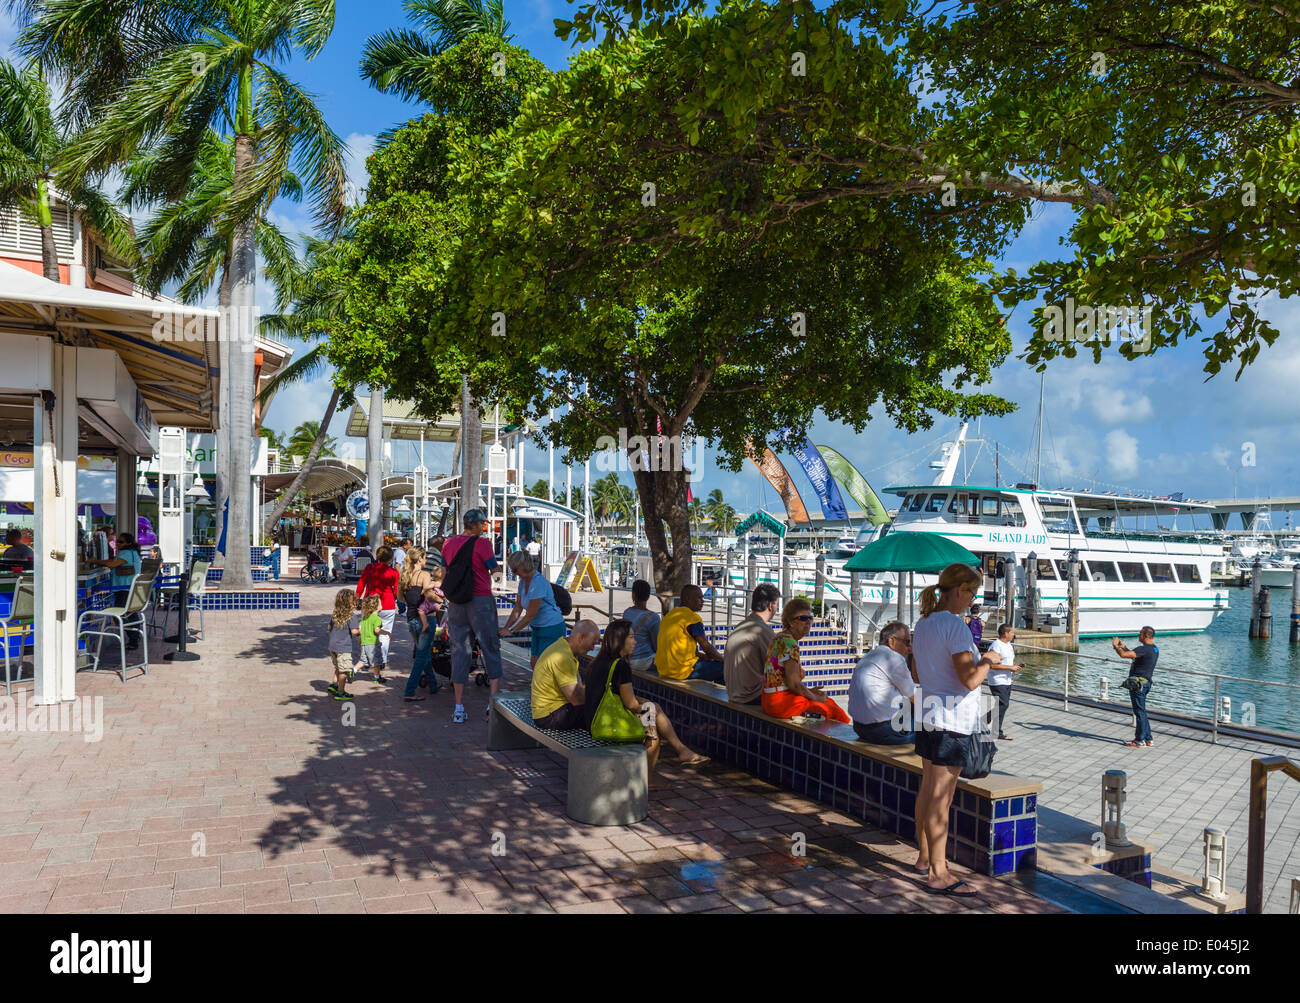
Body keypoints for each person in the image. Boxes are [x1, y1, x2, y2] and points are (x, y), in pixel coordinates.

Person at [911, 562, 998, 897]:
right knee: (941, 799)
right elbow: (970, 679)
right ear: (959, 589)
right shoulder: (956, 628)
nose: (973, 600)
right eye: (972, 593)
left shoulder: (924, 622)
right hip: (952, 721)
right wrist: (988, 660)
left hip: (928, 714)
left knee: (928, 791)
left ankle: (924, 858)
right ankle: (938, 872)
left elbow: (918, 673)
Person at [583, 619, 706, 770]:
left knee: (654, 707)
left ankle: (681, 750)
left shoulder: (597, 662)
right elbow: (631, 705)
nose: (635, 642)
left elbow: (614, 694)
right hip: (606, 725)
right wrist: (648, 708)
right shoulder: (620, 666)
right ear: (620, 640)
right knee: (652, 730)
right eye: (631, 637)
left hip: (592, 720)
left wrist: (648, 704)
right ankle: (650, 778)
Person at [443, 510, 504, 724]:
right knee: (490, 647)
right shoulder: (483, 544)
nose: (484, 527)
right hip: (480, 600)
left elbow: (443, 572)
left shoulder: (448, 543)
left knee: (459, 651)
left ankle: (458, 707)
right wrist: (497, 576)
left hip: (456, 602)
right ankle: (493, 704)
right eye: (482, 524)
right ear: (476, 525)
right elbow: (495, 571)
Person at [762, 599, 851, 723]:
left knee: (829, 702)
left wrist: (809, 692)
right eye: (803, 618)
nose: (808, 621)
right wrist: (814, 697)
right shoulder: (790, 644)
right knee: (835, 712)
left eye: (810, 618)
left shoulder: (779, 638)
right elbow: (794, 684)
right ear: (790, 622)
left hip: (769, 700)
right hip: (780, 703)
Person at [848, 621, 916, 744]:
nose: (910, 648)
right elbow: (914, 697)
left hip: (859, 728)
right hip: (884, 731)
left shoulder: (868, 657)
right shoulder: (893, 658)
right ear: (892, 641)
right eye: (907, 642)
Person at [501, 551, 567, 667]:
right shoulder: (523, 582)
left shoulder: (538, 582)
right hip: (538, 628)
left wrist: (512, 631)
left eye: (515, 570)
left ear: (522, 565)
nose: (514, 573)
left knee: (544, 666)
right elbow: (518, 607)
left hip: (551, 628)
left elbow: (530, 614)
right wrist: (506, 628)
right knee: (535, 663)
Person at [531, 620, 600, 730]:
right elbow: (577, 699)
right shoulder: (563, 657)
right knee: (602, 712)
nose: (592, 648)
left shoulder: (562, 645)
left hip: (547, 711)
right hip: (549, 716)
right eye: (593, 643)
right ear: (581, 637)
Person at [654, 584, 726, 682]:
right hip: (682, 671)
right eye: (699, 598)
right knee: (725, 668)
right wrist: (723, 660)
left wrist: (707, 658)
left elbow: (692, 652)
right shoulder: (692, 618)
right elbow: (706, 647)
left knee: (713, 664)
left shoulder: (670, 615)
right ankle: (720, 696)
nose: (702, 601)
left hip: (664, 670)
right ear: (688, 599)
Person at [724, 583, 780, 705]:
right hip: (751, 697)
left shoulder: (740, 626)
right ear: (771, 605)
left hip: (733, 694)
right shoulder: (762, 630)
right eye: (777, 605)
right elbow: (778, 667)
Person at [399, 547, 442, 701]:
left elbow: (401, 598)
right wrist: (440, 600)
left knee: (424, 654)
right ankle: (409, 691)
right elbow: (429, 594)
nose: (426, 560)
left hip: (411, 619)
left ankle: (433, 684)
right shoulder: (424, 575)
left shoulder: (403, 575)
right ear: (419, 559)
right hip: (426, 619)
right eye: (424, 558)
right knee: (422, 656)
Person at [355, 545, 399, 680]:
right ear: (390, 559)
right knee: (385, 634)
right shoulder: (393, 572)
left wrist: (357, 598)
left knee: (367, 632)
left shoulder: (369, 568)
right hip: (387, 604)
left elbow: (361, 584)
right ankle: (381, 660)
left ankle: (367, 659)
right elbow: (396, 590)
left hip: (369, 604)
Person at [1114, 627, 1158, 748]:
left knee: (1139, 712)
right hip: (1146, 683)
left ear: (1146, 636)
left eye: (1140, 633)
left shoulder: (1143, 649)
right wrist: (1123, 646)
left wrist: (1115, 646)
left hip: (1139, 685)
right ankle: (1148, 739)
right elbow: (1134, 655)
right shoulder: (1154, 649)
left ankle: (1140, 740)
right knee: (1142, 711)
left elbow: (1123, 655)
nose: (1138, 635)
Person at [987, 623, 1024, 740]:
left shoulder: (1008, 645)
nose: (1013, 634)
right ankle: (984, 723)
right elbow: (991, 665)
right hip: (997, 680)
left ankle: (995, 731)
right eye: (1012, 632)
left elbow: (1008, 662)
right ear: (1006, 633)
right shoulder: (996, 646)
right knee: (1003, 704)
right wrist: (1010, 668)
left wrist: (1015, 666)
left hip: (1007, 680)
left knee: (1002, 705)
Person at [89, 531, 143, 607]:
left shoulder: (126, 553)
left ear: (128, 543)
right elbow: (113, 561)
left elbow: (111, 564)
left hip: (124, 588)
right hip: (128, 587)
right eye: (117, 541)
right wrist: (97, 561)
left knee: (120, 613)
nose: (117, 543)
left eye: (121, 542)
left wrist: (96, 561)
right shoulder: (131, 552)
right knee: (129, 613)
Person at [622, 579, 662, 672]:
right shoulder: (653, 617)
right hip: (645, 661)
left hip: (628, 659)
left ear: (633, 594)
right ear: (648, 596)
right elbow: (657, 645)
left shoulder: (626, 613)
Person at [326, 590, 358, 701]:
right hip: (343, 647)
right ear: (351, 603)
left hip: (332, 646)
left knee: (338, 667)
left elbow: (329, 628)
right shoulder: (352, 616)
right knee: (344, 670)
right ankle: (341, 692)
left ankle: (334, 685)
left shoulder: (335, 614)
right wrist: (360, 632)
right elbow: (354, 632)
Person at [356, 595, 390, 682]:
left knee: (363, 661)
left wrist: (360, 641)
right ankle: (377, 678)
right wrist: (386, 633)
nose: (381, 604)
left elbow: (360, 630)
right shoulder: (377, 618)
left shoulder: (364, 618)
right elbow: (376, 630)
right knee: (376, 662)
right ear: (376, 607)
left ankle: (353, 670)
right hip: (373, 644)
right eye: (380, 603)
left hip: (364, 643)